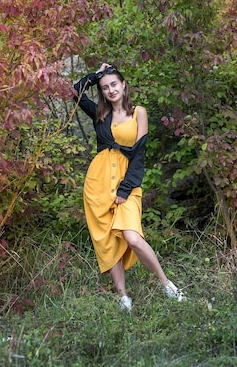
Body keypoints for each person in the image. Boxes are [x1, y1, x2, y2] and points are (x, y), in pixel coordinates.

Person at [72, 63, 186, 312]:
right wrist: (95, 75)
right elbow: (75, 91)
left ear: (123, 85)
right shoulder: (99, 114)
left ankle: (167, 285)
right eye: (105, 87)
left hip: (127, 183)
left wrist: (125, 189)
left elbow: (138, 155)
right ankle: (123, 298)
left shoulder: (138, 113)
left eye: (114, 84)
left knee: (132, 237)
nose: (110, 90)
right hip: (98, 184)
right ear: (102, 92)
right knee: (108, 241)